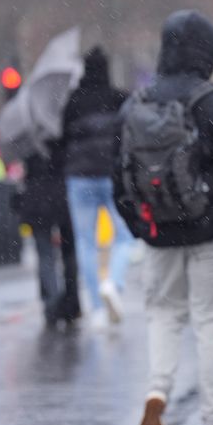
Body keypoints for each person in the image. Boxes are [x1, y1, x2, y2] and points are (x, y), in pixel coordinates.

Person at [114, 9, 213, 425]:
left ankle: (158, 390)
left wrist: (141, 226)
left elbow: (117, 178)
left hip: (157, 234)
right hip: (210, 234)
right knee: (212, 322)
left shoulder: (136, 105)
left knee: (162, 315)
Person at [58, 46, 134, 330]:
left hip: (78, 177)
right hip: (112, 176)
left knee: (85, 242)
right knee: (124, 236)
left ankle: (97, 308)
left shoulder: (73, 102)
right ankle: (113, 282)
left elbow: (61, 140)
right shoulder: (119, 99)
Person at [14, 145, 81, 328]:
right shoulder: (61, 125)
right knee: (69, 253)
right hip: (63, 194)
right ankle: (71, 304)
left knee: (45, 254)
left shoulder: (26, 131)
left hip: (35, 197)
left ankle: (51, 305)